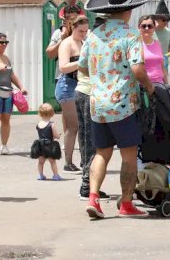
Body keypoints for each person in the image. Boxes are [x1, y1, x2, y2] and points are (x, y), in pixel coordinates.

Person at [79, 0, 156, 219]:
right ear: (129, 10)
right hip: (123, 103)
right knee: (128, 155)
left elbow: (82, 66)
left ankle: (93, 198)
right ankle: (126, 203)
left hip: (97, 104)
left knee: (101, 152)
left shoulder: (93, 35)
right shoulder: (131, 35)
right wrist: (150, 87)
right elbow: (137, 69)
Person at [76, 15, 110, 201]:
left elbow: (81, 67)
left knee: (87, 139)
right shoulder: (97, 41)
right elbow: (82, 67)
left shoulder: (90, 40)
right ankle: (86, 186)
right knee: (91, 141)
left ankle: (87, 184)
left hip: (84, 91)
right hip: (89, 93)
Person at [0, 33, 26, 156]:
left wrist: (21, 87)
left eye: (6, 43)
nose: (4, 45)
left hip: (7, 91)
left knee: (6, 119)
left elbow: (12, 75)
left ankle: (4, 145)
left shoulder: (6, 58)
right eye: (2, 42)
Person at [57, 16, 89, 172]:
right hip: (66, 86)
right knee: (73, 126)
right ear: (73, 27)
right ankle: (68, 163)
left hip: (81, 85)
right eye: (80, 30)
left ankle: (84, 160)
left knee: (82, 125)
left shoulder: (83, 43)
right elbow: (63, 67)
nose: (83, 33)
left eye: (85, 31)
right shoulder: (66, 43)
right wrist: (82, 61)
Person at [30, 103, 62, 181]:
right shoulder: (51, 124)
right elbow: (55, 134)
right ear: (52, 113)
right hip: (49, 145)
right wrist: (58, 136)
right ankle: (55, 175)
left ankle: (40, 175)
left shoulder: (39, 124)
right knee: (52, 161)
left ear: (40, 113)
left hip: (40, 145)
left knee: (41, 161)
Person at [152, 0, 170, 70]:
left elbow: (169, 49)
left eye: (168, 20)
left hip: (163, 68)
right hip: (150, 68)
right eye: (164, 20)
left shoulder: (168, 31)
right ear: (156, 19)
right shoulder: (149, 31)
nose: (166, 22)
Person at [139, 15, 167, 85]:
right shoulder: (135, 45)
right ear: (139, 27)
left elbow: (162, 67)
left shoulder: (157, 44)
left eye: (150, 26)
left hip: (160, 84)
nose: (146, 28)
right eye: (143, 26)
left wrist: (167, 85)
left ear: (154, 28)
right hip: (143, 86)